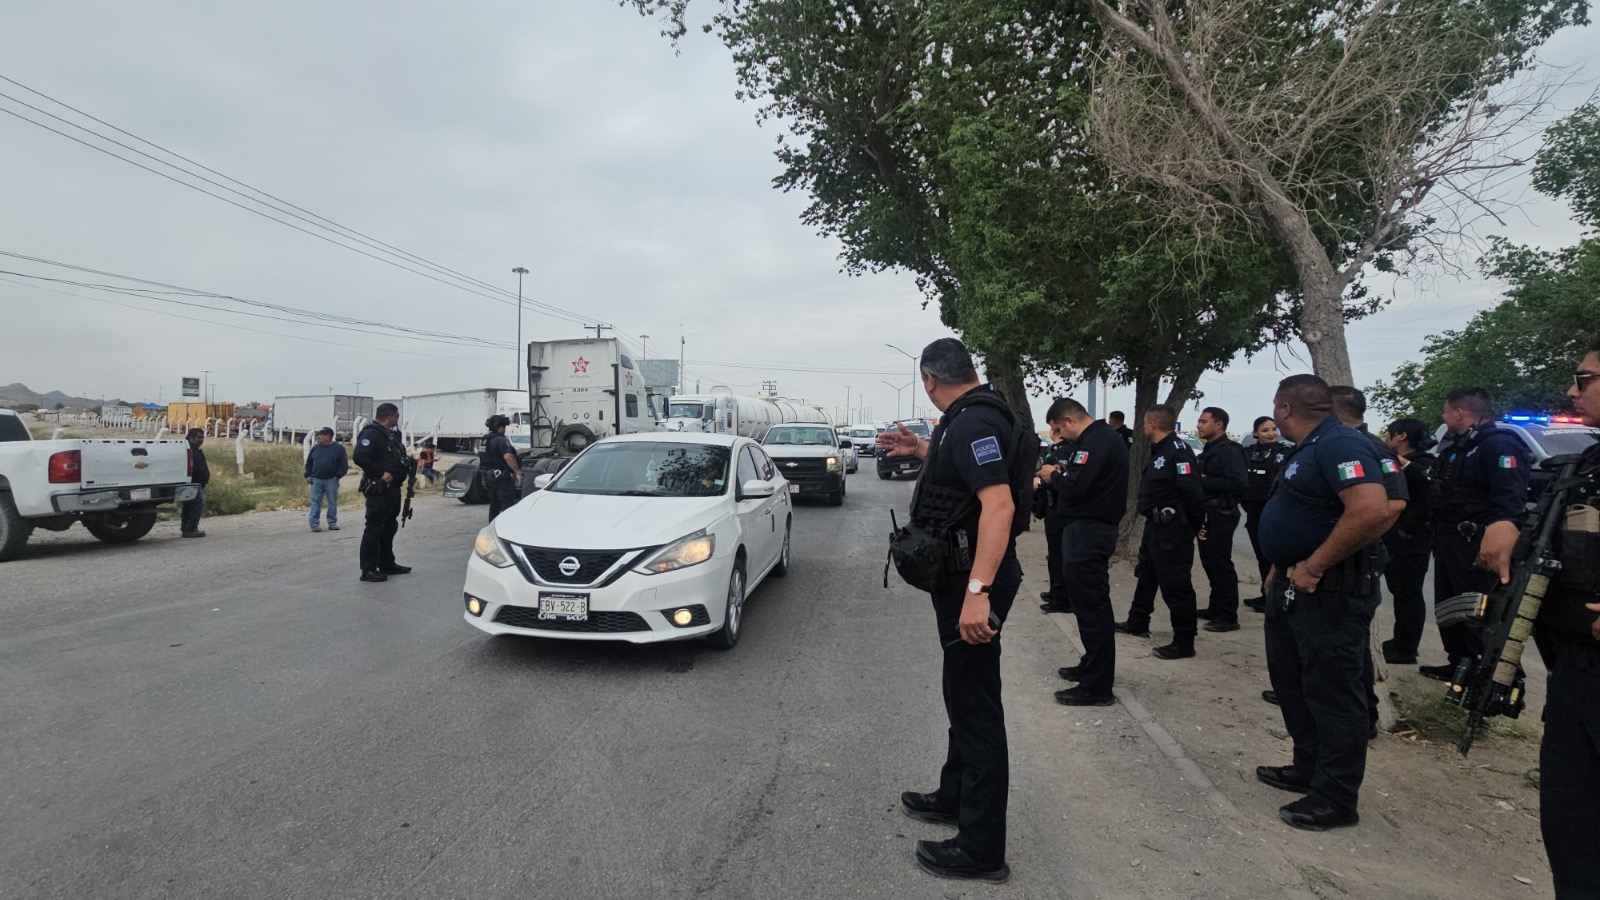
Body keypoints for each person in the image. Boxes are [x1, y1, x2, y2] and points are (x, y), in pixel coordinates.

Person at [879, 338, 1026, 884]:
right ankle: (953, 795)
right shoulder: (974, 416)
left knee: (976, 707)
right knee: (963, 693)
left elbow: (999, 504)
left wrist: (978, 591)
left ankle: (982, 848)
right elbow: (968, 477)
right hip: (965, 576)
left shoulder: (972, 422)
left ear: (929, 380)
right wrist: (922, 448)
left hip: (973, 579)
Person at [1255, 375, 1398, 831]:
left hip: (1331, 590)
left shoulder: (1340, 443)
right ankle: (1308, 766)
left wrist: (1315, 565)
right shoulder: (1311, 446)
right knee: (1293, 681)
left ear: (1284, 408)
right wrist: (1281, 563)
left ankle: (1335, 797)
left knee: (1333, 693)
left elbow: (1372, 510)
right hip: (1294, 583)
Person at [1535, 335, 1600, 897]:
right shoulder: (1589, 462)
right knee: (1570, 827)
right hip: (1577, 667)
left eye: (1584, 380)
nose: (1572, 391)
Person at [1423, 387, 1530, 680]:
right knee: (1450, 607)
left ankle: (1494, 677)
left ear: (1460, 412)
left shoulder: (1499, 444)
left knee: (1480, 613)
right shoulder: (1460, 446)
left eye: (1446, 411)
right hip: (1450, 540)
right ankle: (1459, 665)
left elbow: (1510, 498)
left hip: (1477, 542)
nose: (1444, 417)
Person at [1038, 397, 1129, 705]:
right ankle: (1092, 665)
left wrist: (1053, 476)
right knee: (1085, 606)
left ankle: (1097, 686)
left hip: (1090, 531)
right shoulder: (1096, 439)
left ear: (1070, 420)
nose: (1059, 436)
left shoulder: (1097, 441)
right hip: (1084, 530)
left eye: (1058, 429)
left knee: (1093, 609)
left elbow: (1076, 486)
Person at [1118, 404, 1205, 659]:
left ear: (1152, 424)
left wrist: (1194, 526)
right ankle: (1138, 621)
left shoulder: (1178, 452)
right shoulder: (1160, 451)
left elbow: (1192, 492)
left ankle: (1184, 641)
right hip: (1155, 526)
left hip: (1173, 529)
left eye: (1144, 423)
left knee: (1176, 585)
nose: (1143, 427)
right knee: (1147, 574)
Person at [1380, 419, 1435, 664]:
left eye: (1388, 435)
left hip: (1413, 540)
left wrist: (1407, 529)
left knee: (1409, 593)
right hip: (1395, 538)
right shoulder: (1396, 462)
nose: (1386, 439)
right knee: (1399, 590)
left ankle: (1406, 648)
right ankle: (1400, 640)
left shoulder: (1424, 464)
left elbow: (1429, 497)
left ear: (1401, 436)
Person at [1194, 407, 1248, 632]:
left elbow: (1238, 483)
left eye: (1203, 421)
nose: (1199, 425)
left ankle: (1227, 616)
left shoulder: (1229, 451)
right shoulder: (1209, 450)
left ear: (1219, 424)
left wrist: (1202, 480)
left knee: (1220, 563)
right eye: (1199, 421)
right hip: (1207, 512)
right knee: (1210, 562)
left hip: (1221, 512)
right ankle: (1215, 607)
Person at [352, 403, 413, 583]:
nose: (397, 419)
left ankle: (387, 563)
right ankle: (368, 569)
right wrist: (380, 473)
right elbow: (359, 456)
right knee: (375, 528)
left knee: (389, 527)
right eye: (396, 416)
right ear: (389, 416)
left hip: (393, 488)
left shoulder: (389, 435)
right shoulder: (372, 433)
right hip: (380, 488)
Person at [1242, 417, 1290, 612]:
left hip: (1274, 511)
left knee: (1273, 558)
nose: (1271, 433)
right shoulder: (1247, 453)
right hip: (1254, 511)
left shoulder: (1285, 453)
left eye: (1273, 429)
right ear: (1255, 433)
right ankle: (1265, 593)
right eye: (1265, 430)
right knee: (1261, 556)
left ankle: (1275, 597)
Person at [1037, 421, 1075, 613]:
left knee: (1058, 553)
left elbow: (1059, 479)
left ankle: (1062, 597)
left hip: (1058, 507)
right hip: (1052, 506)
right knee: (1053, 553)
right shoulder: (1057, 450)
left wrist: (1040, 482)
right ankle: (1055, 591)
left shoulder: (1065, 451)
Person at [304, 427, 349, 533]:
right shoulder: (315, 448)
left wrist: (337, 476)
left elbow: (343, 465)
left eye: (321, 435)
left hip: (331, 480)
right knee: (315, 502)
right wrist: (308, 475)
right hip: (316, 479)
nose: (319, 437)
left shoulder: (339, 449)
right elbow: (309, 463)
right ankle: (314, 524)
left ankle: (332, 523)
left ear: (328, 436)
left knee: (332, 502)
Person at [480, 415, 523, 521]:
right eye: (504, 427)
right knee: (507, 504)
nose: (505, 429)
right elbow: (508, 457)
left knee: (494, 504)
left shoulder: (484, 440)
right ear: (500, 427)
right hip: (501, 478)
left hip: (489, 477)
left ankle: (492, 525)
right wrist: (517, 472)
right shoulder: (501, 440)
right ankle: (507, 526)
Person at [180, 428, 208, 538]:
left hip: (197, 482)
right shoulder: (188, 450)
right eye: (199, 437)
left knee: (189, 506)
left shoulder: (194, 450)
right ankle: (191, 529)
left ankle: (186, 528)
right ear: (190, 438)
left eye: (202, 437)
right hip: (192, 482)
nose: (201, 440)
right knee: (197, 504)